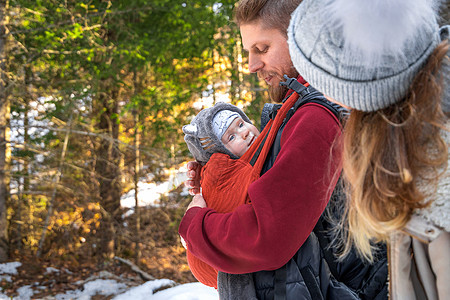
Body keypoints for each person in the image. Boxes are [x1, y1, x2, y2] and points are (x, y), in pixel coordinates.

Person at [181, 0, 388, 299]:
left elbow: (266, 236)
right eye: (249, 52)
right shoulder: (294, 109)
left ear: (303, 38)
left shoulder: (316, 115)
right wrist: (214, 178)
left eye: (262, 49)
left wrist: (194, 224)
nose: (252, 66)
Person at [288, 0, 449, 299]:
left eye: (323, 83)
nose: (321, 94)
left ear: (360, 92)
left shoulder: (434, 196)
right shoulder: (416, 149)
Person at [182, 101, 260, 288]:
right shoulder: (224, 175)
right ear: (219, 152)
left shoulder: (263, 151)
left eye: (241, 124)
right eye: (231, 137)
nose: (245, 132)